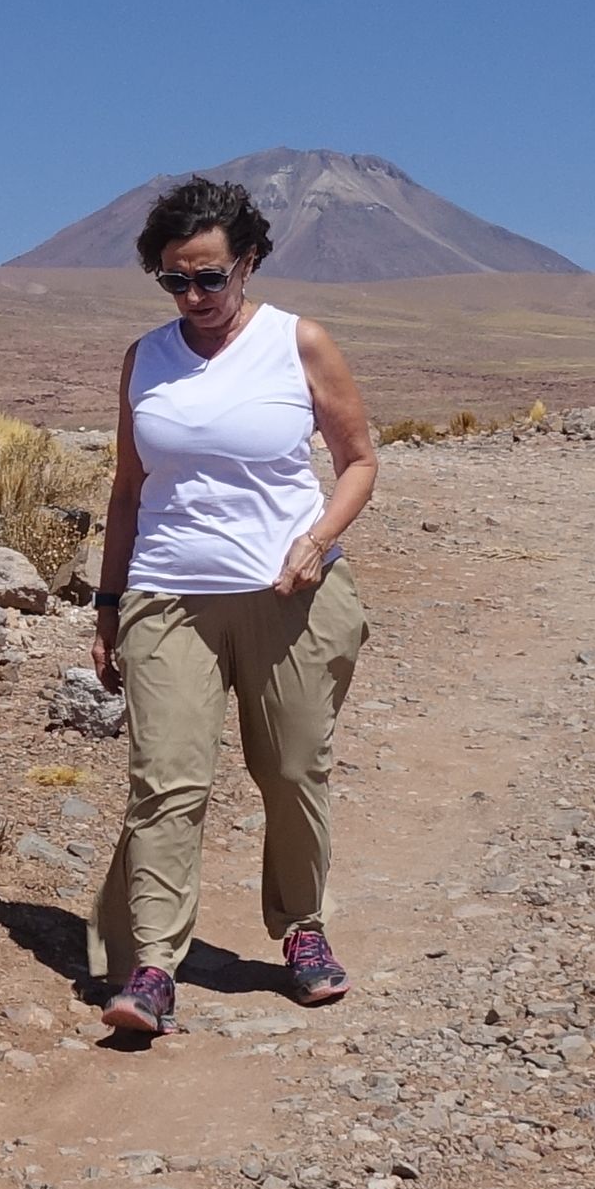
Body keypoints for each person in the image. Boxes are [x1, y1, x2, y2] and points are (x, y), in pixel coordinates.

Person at [84, 172, 378, 1042]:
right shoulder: (145, 358)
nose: (194, 296)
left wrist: (317, 538)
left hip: (291, 598)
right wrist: (108, 605)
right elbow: (128, 491)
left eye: (210, 276)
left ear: (247, 262)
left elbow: (360, 461)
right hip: (168, 595)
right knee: (166, 781)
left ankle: (303, 927)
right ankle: (152, 966)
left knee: (291, 771)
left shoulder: (299, 342)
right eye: (174, 280)